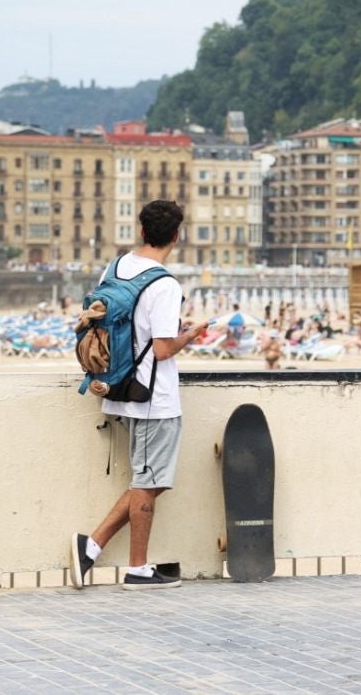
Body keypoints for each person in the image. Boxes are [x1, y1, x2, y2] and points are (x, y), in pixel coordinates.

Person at [70, 200, 204, 591]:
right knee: (148, 481)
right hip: (151, 395)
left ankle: (93, 548)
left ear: (142, 230)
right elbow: (162, 349)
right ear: (176, 236)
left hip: (120, 384)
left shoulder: (116, 268)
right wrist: (191, 334)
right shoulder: (164, 284)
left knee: (152, 479)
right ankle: (134, 567)